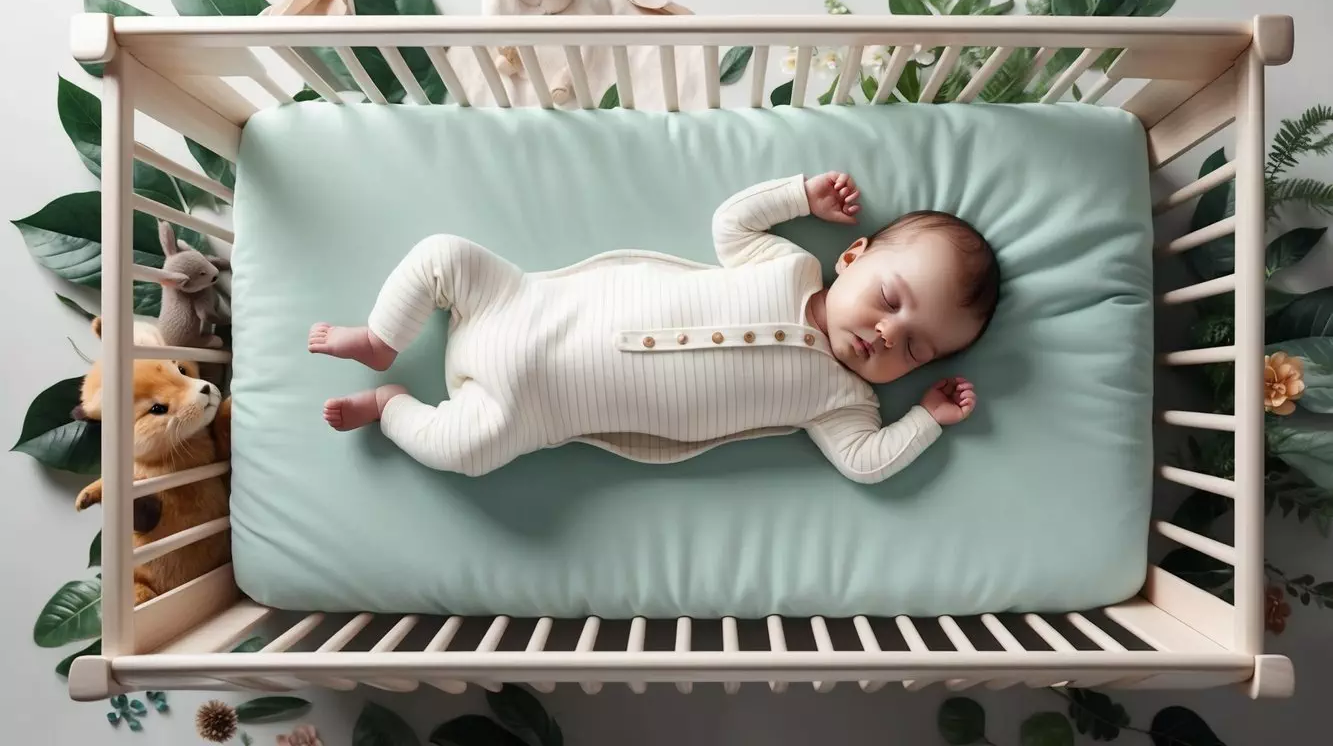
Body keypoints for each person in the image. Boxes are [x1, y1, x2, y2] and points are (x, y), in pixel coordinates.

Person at [308, 172, 998, 483]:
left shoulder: (844, 403)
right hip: (514, 305)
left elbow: (864, 463)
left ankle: (391, 406)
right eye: (888, 299)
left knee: (463, 449)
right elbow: (731, 220)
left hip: (529, 414)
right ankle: (379, 338)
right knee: (442, 254)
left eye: (914, 349)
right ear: (851, 256)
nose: (885, 334)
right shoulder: (787, 265)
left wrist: (926, 421)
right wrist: (800, 197)